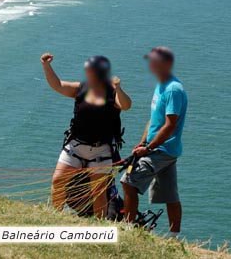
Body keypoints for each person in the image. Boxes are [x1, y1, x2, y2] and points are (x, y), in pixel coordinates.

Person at [41, 52, 132, 218]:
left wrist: (118, 88)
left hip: (101, 151)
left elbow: (126, 105)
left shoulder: (113, 93)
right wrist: (46, 66)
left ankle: (98, 227)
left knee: (98, 194)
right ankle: (55, 217)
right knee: (58, 181)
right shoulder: (80, 89)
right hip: (75, 146)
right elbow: (58, 85)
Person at [121, 47, 187, 238]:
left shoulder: (173, 89)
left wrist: (149, 148)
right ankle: (174, 237)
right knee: (170, 194)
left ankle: (128, 228)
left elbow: (170, 125)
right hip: (162, 148)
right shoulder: (161, 86)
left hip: (162, 150)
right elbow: (153, 120)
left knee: (128, 182)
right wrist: (142, 143)